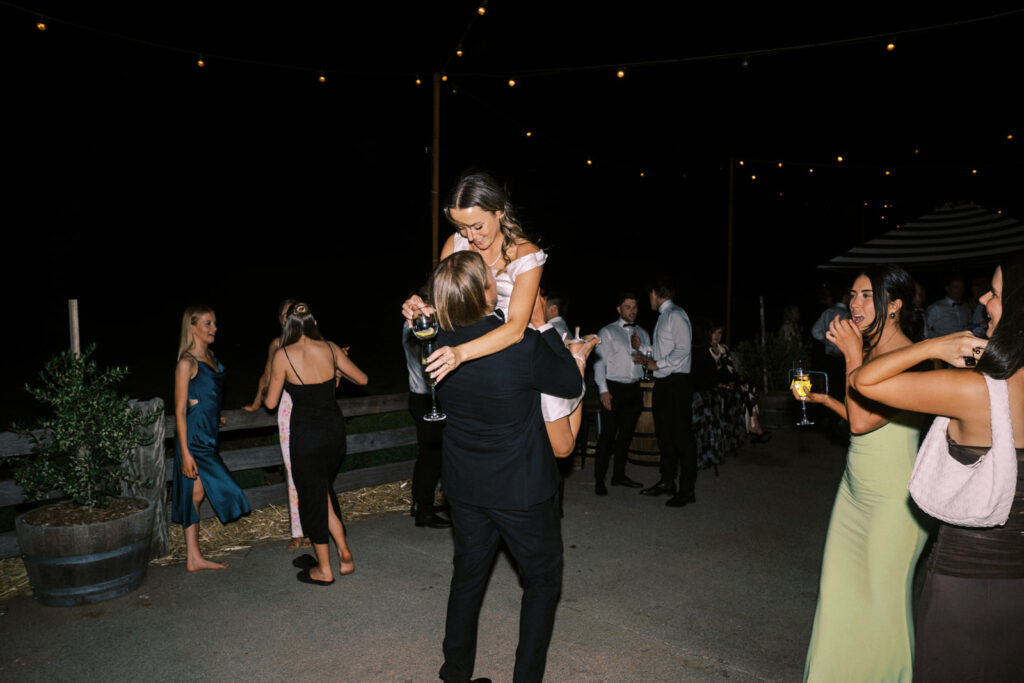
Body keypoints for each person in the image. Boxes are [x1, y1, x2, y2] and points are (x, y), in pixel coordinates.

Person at [850, 254, 1024, 682]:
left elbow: (865, 383)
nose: (983, 297)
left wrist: (932, 346)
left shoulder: (974, 391)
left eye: (996, 293)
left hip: (966, 582)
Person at [429, 251, 590, 683]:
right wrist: (542, 326)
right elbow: (571, 383)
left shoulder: (440, 344)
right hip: (521, 490)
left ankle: (456, 672)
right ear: (486, 291)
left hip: (464, 485)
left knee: (467, 577)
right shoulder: (521, 342)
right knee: (541, 582)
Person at [795, 265, 929, 682]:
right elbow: (861, 415)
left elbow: (861, 423)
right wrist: (825, 400)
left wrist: (852, 354)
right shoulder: (870, 351)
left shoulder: (908, 357)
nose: (854, 304)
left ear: (896, 305)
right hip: (854, 490)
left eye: (867, 295)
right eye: (852, 295)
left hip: (893, 500)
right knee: (837, 600)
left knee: (881, 608)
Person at [403, 169, 545, 383]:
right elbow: (443, 305)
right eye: (461, 228)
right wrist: (422, 307)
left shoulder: (525, 255)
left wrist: (461, 353)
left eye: (477, 226)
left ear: (498, 211)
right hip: (459, 349)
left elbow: (516, 329)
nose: (471, 237)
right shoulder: (455, 244)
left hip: (514, 354)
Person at [263, 302, 368, 586]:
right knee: (322, 494)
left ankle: (324, 569)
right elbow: (362, 378)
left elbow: (271, 402)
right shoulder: (331, 348)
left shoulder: (283, 355)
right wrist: (334, 372)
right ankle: (344, 554)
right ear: (314, 322)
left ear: (289, 326)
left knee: (312, 502)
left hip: (306, 435)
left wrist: (280, 379)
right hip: (334, 433)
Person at [173, 305, 251, 572]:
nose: (214, 328)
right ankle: (193, 555)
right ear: (192, 327)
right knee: (207, 489)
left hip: (208, 431)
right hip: (194, 436)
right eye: (208, 324)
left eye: (214, 323)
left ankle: (193, 557)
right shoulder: (187, 363)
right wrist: (185, 453)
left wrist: (213, 414)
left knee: (196, 491)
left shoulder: (210, 357)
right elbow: (180, 410)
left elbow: (208, 393)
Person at [242, 298, 309, 550]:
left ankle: (314, 528)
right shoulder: (276, 344)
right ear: (282, 319)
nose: (290, 316)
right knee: (293, 471)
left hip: (311, 411)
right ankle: (297, 531)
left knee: (312, 472)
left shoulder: (315, 343)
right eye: (286, 313)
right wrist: (255, 403)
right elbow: (267, 376)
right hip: (287, 409)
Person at [636, 277, 700, 508]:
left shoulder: (675, 315)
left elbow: (683, 350)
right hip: (664, 384)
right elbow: (663, 349)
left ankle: (687, 490)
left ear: (655, 292)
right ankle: (667, 482)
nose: (648, 300)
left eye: (649, 295)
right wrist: (643, 352)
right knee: (665, 437)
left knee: (682, 438)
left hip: (677, 384)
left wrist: (658, 364)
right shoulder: (664, 317)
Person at [592, 292, 649, 495]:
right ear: (619, 309)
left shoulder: (642, 332)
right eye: (628, 307)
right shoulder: (607, 332)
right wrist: (603, 391)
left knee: (625, 437)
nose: (632, 311)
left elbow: (650, 358)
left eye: (635, 307)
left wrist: (642, 350)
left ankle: (619, 476)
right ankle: (599, 480)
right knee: (607, 437)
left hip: (634, 389)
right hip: (613, 389)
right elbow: (599, 363)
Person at [401, 306, 451, 529]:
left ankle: (421, 503)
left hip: (420, 396)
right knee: (431, 456)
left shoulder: (413, 327)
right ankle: (424, 511)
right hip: (427, 397)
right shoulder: (420, 329)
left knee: (430, 455)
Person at [924, 274, 971, 338]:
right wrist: (941, 340)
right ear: (947, 288)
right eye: (956, 287)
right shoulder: (936, 308)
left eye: (962, 287)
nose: (960, 290)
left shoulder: (966, 307)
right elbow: (925, 330)